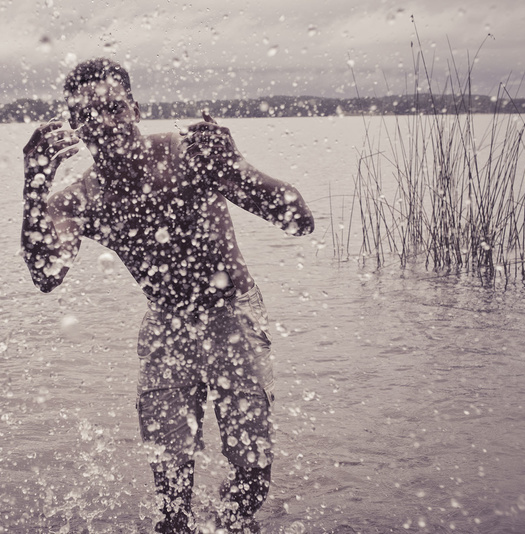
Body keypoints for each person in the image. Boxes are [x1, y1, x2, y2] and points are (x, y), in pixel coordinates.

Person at [20, 58, 314, 533]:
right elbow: (46, 274)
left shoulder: (187, 155)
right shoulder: (84, 198)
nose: (104, 122)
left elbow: (299, 221)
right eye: (89, 116)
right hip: (167, 324)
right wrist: (34, 184)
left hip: (231, 315)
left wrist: (233, 165)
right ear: (75, 127)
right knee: (171, 498)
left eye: (115, 108)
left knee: (252, 476)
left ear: (135, 109)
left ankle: (231, 522)